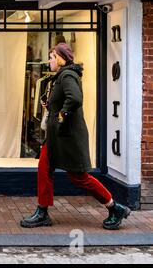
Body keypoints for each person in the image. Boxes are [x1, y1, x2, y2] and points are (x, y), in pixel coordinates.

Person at [20, 43, 131, 230]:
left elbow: (75, 99)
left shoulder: (67, 75)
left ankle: (114, 207)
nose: (49, 60)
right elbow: (65, 100)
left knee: (80, 177)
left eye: (52, 56)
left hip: (67, 138)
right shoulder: (60, 77)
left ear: (61, 59)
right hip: (57, 137)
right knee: (44, 168)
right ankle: (42, 211)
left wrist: (61, 115)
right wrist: (51, 107)